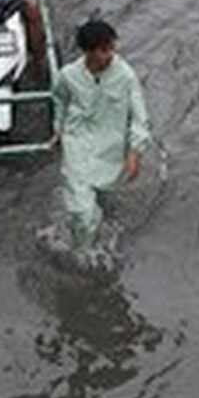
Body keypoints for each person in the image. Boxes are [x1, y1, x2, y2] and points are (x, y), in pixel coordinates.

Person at [52, 20, 151, 248]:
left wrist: (135, 152)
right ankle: (84, 251)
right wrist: (58, 130)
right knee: (83, 212)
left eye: (112, 48)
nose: (110, 55)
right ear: (88, 51)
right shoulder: (68, 76)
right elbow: (59, 100)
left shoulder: (125, 76)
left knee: (102, 195)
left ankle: (91, 236)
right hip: (77, 143)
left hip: (110, 148)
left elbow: (139, 117)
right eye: (104, 50)